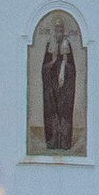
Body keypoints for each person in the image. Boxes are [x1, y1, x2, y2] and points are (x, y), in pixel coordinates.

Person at [39, 16, 80, 154]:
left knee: (64, 112)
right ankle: (52, 142)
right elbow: (44, 67)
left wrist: (64, 65)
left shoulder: (67, 45)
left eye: (61, 28)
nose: (59, 31)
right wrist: (53, 62)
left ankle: (64, 143)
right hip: (51, 86)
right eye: (56, 28)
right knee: (51, 113)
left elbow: (72, 68)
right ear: (54, 30)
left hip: (65, 87)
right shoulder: (49, 44)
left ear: (63, 30)